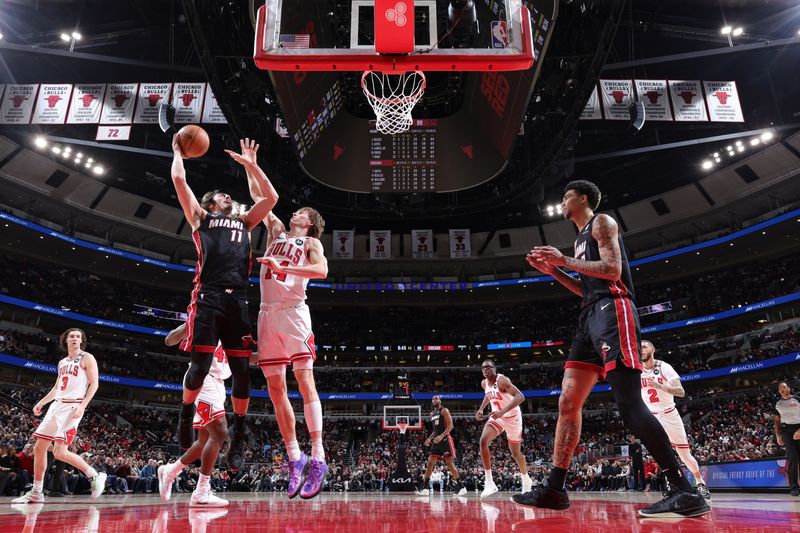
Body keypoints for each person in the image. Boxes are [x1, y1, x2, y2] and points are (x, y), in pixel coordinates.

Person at [513, 180, 709, 518]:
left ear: (583, 198)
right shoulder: (577, 240)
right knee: (567, 401)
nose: (562, 201)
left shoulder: (601, 222)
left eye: (567, 196)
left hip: (613, 311)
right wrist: (555, 270)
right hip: (590, 315)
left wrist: (563, 260)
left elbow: (613, 271)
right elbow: (586, 288)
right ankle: (555, 490)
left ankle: (685, 489)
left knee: (628, 401)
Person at [171, 135, 276, 470]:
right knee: (199, 367)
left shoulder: (245, 222)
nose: (228, 195)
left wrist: (252, 165)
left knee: (243, 373)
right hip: (209, 297)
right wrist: (177, 152)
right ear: (211, 203)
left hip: (238, 300)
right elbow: (178, 179)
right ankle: (185, 414)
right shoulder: (201, 218)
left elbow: (271, 197)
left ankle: (240, 434)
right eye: (222, 194)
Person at [232, 139, 330, 499]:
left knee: (305, 382)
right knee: (275, 391)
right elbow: (261, 195)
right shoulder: (275, 232)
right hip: (266, 316)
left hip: (293, 315)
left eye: (303, 212)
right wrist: (250, 163)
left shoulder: (310, 244)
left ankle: (318, 456)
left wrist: (283, 265)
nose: (296, 213)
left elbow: (321, 270)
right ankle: (295, 457)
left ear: (311, 223)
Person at [12, 328, 107, 503]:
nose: (75, 339)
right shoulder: (62, 362)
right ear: (65, 340)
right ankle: (36, 492)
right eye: (72, 336)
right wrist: (42, 402)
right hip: (56, 406)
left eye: (78, 337)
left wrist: (83, 405)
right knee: (39, 448)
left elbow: (94, 384)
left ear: (82, 341)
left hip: (73, 406)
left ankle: (95, 476)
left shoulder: (87, 358)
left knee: (60, 452)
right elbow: (57, 388)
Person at [160, 323, 230, 506]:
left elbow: (247, 358)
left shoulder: (236, 326)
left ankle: (171, 471)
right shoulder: (205, 317)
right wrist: (190, 323)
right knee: (220, 432)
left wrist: (272, 356)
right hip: (203, 378)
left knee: (204, 441)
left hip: (219, 384)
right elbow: (169, 340)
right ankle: (201, 491)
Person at [640, 340, 711, 501]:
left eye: (644, 347)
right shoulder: (636, 371)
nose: (641, 350)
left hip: (670, 414)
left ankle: (700, 482)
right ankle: (673, 487)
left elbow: (681, 391)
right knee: (662, 454)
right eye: (639, 348)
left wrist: (661, 386)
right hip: (652, 416)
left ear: (653, 349)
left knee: (685, 456)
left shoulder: (663, 367)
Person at [475, 360, 532, 497]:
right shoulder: (484, 383)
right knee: (483, 441)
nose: (485, 369)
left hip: (513, 418)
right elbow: (488, 395)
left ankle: (526, 479)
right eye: (483, 367)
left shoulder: (502, 381)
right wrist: (481, 409)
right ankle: (489, 483)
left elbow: (521, 397)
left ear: (494, 368)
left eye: (488, 367)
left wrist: (503, 411)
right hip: (498, 417)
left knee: (515, 454)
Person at [415, 395, 467, 496]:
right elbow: (435, 431)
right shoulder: (432, 413)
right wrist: (429, 438)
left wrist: (441, 436)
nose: (435, 400)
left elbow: (450, 425)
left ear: (440, 401)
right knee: (430, 463)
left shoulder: (444, 411)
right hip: (436, 441)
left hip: (445, 440)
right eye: (433, 399)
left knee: (449, 464)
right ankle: (425, 489)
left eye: (436, 399)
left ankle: (462, 488)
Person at [773, 381, 800, 496]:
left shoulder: (797, 399)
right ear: (779, 391)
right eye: (780, 388)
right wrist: (778, 435)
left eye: (784, 387)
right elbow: (776, 421)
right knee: (792, 458)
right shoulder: (777, 403)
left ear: (789, 388)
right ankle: (794, 487)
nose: (782, 389)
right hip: (786, 431)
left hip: (799, 427)